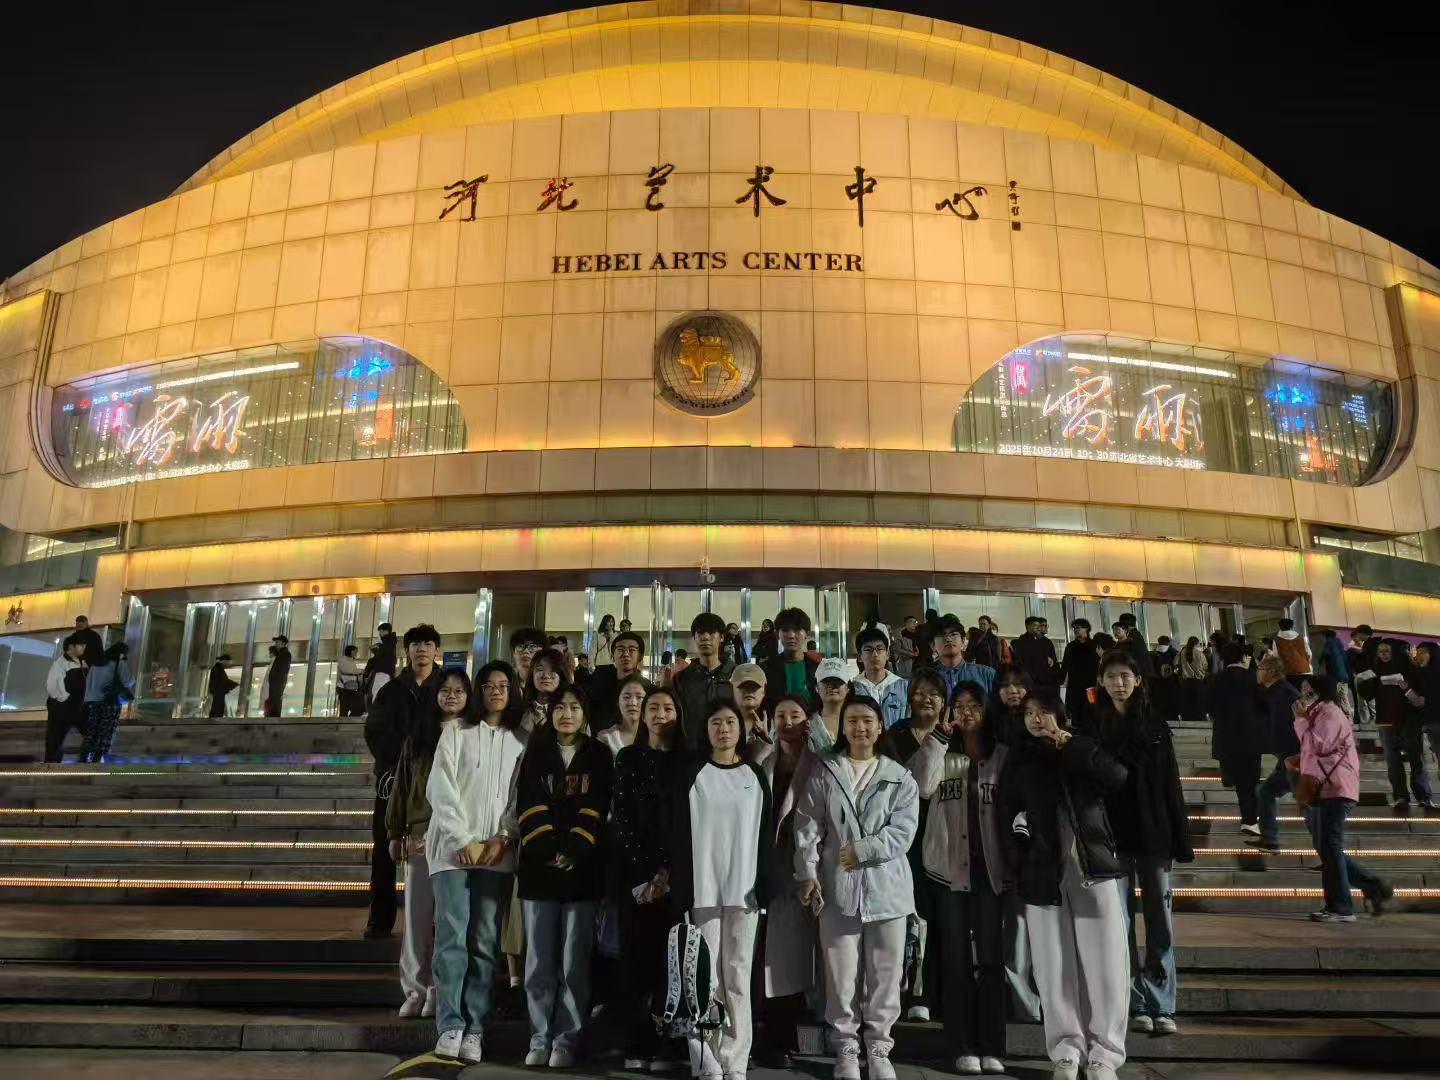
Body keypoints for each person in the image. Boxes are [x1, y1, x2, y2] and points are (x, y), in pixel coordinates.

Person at [1001, 690, 1130, 1080]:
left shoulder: (1082, 745)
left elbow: (1116, 777)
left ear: (1059, 714)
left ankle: (1105, 1054)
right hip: (1042, 871)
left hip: (1091, 865)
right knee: (1052, 965)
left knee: (1106, 963)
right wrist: (1019, 856)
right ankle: (1066, 1051)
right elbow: (1006, 812)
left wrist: (1070, 745)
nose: (1036, 719)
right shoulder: (1019, 759)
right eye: (1029, 713)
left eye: (1043, 711)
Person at [795, 694, 919, 1080]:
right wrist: (808, 872)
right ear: (843, 727)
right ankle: (846, 1048)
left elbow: (903, 832)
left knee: (885, 974)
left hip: (888, 890)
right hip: (838, 889)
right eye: (852, 720)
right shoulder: (826, 771)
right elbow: (807, 827)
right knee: (840, 973)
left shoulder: (899, 776)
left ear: (880, 726)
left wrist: (862, 850)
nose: (860, 727)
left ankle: (879, 1049)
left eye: (867, 720)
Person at [1083, 650, 1192, 1038]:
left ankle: (1162, 1002)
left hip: (1154, 834)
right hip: (1113, 836)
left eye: (1125, 675)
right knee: (1120, 923)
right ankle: (1134, 1002)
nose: (1119, 683)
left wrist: (1179, 837)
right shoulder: (1095, 726)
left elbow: (1170, 785)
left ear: (1138, 680)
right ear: (1101, 681)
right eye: (1111, 676)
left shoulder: (1156, 726)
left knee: (1160, 921)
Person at [424, 663, 527, 1063]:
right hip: (452, 852)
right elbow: (440, 787)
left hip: (496, 854)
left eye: (503, 685)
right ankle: (450, 1024)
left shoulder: (521, 739)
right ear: (479, 691)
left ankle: (475, 1028)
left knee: (484, 941)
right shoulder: (455, 731)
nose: (496, 691)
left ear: (512, 691)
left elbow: (520, 796)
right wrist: (463, 839)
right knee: (451, 936)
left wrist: (503, 837)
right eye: (488, 685)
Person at [666, 700, 774, 1080]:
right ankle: (705, 1059)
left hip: (745, 894)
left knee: (738, 976)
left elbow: (765, 836)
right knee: (702, 978)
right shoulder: (692, 774)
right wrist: (682, 888)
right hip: (702, 893)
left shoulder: (754, 775)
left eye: (730, 722)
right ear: (706, 729)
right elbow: (678, 834)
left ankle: (735, 1060)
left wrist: (764, 885)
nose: (724, 729)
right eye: (716, 722)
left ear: (741, 729)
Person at [907, 680, 1009, 1076]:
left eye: (974, 705)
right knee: (955, 961)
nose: (966, 712)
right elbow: (919, 786)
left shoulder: (1001, 757)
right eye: (960, 705)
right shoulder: (941, 751)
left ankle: (992, 1045)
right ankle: (962, 1044)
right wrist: (936, 740)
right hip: (948, 871)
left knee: (991, 960)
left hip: (991, 873)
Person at [516, 686, 613, 1068]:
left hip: (582, 871)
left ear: (585, 713)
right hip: (539, 871)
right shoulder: (536, 752)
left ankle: (566, 1040)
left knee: (574, 963)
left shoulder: (598, 755)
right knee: (538, 961)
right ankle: (539, 1037)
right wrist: (549, 848)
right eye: (560, 707)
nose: (567, 714)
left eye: (574, 707)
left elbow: (598, 803)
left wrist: (574, 848)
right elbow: (528, 802)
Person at [612, 687, 685, 1071]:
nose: (660, 714)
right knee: (636, 962)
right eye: (653, 707)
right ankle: (637, 1043)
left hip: (676, 879)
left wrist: (666, 873)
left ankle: (668, 1043)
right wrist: (646, 875)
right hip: (635, 879)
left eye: (668, 708)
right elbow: (623, 819)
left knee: (671, 962)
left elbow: (687, 823)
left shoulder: (689, 762)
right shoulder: (628, 758)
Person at [387, 667, 465, 1021]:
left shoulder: (474, 735)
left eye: (459, 691)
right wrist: (395, 831)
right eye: (445, 690)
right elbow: (401, 786)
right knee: (417, 918)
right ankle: (414, 990)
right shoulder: (418, 737)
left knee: (447, 920)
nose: (451, 696)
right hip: (420, 836)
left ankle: (437, 988)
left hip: (457, 838)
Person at [363, 624, 443, 939]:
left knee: (437, 848)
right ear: (407, 651)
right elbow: (374, 730)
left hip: (436, 780)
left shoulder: (445, 687)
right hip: (394, 778)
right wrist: (403, 758)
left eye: (428, 643)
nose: (421, 649)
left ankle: (436, 918)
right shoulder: (392, 690)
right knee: (385, 848)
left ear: (436, 650)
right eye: (415, 644)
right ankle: (380, 918)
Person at [1295, 674, 1394, 921]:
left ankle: (1341, 907)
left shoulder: (1329, 714)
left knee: (1330, 845)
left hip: (1336, 787)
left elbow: (1319, 745)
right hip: (1326, 787)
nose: (1303, 696)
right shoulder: (1319, 714)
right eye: (1302, 690)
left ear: (1320, 692)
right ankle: (1371, 886)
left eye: (1308, 691)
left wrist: (1300, 720)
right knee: (1327, 847)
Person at [878, 667, 947, 1024]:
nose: (926, 699)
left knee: (938, 917)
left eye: (933, 693)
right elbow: (909, 785)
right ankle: (910, 991)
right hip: (908, 840)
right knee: (912, 916)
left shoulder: (955, 735)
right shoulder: (895, 735)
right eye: (919, 692)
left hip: (946, 837)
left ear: (944, 700)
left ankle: (932, 990)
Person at [754, 693, 819, 1070]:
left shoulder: (818, 761)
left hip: (802, 868)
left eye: (795, 714)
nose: (788, 721)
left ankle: (783, 1035)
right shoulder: (763, 758)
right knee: (765, 955)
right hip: (765, 867)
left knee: (790, 957)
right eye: (781, 715)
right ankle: (765, 1034)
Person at [1210, 642, 1266, 835]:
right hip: (1250, 738)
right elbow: (1264, 704)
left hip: (1226, 739)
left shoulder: (1217, 679)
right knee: (1250, 781)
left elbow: (1209, 707)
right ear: (1243, 657)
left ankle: (1249, 819)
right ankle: (1251, 820)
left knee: (1240, 782)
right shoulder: (1252, 677)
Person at [1251, 655, 1301, 853]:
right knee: (1267, 791)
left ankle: (1271, 839)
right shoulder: (1278, 691)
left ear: (1271, 671)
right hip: (1290, 756)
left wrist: (1287, 756)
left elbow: (1285, 728)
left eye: (1261, 668)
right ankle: (1270, 839)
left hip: (1294, 757)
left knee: (1308, 807)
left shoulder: (1281, 693)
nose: (1258, 672)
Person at [674, 612, 737, 749]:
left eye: (711, 632)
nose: (705, 637)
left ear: (721, 637)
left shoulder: (735, 675)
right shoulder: (683, 678)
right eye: (700, 633)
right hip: (692, 752)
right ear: (694, 638)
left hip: (727, 751)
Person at [78, 642, 134, 763]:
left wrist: (87, 700)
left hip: (93, 702)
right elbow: (128, 681)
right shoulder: (119, 663)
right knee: (106, 730)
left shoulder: (96, 665)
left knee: (92, 729)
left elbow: (88, 683)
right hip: (110, 701)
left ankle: (84, 756)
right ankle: (97, 758)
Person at [587, 630, 650, 731]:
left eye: (632, 650)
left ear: (640, 657)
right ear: (612, 656)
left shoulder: (647, 689)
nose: (626, 654)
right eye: (620, 649)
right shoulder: (598, 684)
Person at [762, 607, 820, 715]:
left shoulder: (817, 669)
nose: (791, 635)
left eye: (797, 630)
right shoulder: (767, 669)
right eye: (785, 630)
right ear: (777, 634)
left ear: (807, 633)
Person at [852, 628, 907, 729]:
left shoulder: (903, 686)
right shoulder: (853, 688)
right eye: (868, 650)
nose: (875, 654)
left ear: (887, 654)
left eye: (880, 649)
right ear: (860, 656)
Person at [44, 634, 86, 762]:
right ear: (71, 647)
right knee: (55, 739)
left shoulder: (81, 662)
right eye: (80, 645)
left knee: (92, 733)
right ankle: (52, 765)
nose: (84, 647)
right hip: (62, 707)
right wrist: (64, 699)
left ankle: (87, 761)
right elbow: (52, 685)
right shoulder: (60, 663)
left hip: (78, 706)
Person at [932, 615, 996, 696]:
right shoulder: (927, 679)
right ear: (933, 645)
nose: (948, 639)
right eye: (941, 635)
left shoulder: (987, 675)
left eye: (953, 634)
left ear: (963, 640)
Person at [1059, 619, 1097, 727]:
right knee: (1076, 711)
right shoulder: (1071, 646)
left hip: (1091, 684)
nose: (1076, 630)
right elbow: (1065, 665)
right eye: (1075, 628)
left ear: (1087, 629)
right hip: (1075, 684)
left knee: (1092, 709)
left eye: (1079, 627)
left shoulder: (1094, 645)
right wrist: (1061, 679)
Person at [729, 662, 772, 755]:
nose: (748, 691)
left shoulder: (776, 724)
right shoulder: (721, 724)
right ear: (732, 689)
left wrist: (765, 739)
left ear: (764, 690)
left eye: (754, 687)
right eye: (742, 686)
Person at [522, 646, 568, 731]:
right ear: (532, 674)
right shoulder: (520, 709)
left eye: (553, 670)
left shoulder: (571, 711)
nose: (546, 676)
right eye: (540, 670)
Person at [599, 673, 647, 754]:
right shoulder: (606, 738)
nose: (633, 703)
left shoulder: (654, 735)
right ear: (618, 702)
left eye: (639, 697)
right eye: (626, 697)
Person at [812, 658, 851, 751]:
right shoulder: (809, 723)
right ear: (817, 687)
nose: (832, 686)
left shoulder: (859, 719)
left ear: (847, 687)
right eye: (827, 681)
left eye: (838, 681)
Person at [1012, 616, 1059, 692]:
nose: (1038, 628)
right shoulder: (1021, 642)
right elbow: (1020, 662)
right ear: (1027, 627)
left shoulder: (1041, 641)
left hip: (1044, 681)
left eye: (1039, 625)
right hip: (1031, 681)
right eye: (1035, 625)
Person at [1317, 629, 1352, 713]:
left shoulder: (1329, 644)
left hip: (1335, 677)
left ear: (1326, 636)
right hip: (1344, 676)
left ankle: (1347, 717)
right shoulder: (1341, 646)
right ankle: (1347, 716)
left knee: (1340, 699)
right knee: (1343, 698)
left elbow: (1323, 657)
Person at [1177, 636, 1207, 724]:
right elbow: (1205, 666)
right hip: (1198, 681)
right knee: (1198, 703)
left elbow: (1176, 663)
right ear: (1196, 643)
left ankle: (1187, 720)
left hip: (1186, 681)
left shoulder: (1182, 652)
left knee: (1187, 703)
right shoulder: (1200, 653)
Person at [263, 635, 292, 718]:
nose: (275, 644)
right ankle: (272, 716)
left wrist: (275, 678)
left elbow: (283, 670)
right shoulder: (281, 654)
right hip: (276, 682)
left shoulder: (285, 654)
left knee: (275, 700)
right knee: (273, 700)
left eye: (277, 642)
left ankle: (274, 717)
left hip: (277, 682)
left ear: (283, 643)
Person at [205, 653, 238, 718]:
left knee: (216, 709)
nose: (228, 664)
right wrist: (235, 685)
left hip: (217, 693)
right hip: (218, 693)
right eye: (228, 662)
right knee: (217, 709)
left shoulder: (217, 668)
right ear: (225, 661)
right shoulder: (218, 669)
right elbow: (224, 682)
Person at [336, 645, 365, 716]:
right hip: (343, 687)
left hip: (351, 688)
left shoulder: (352, 661)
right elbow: (348, 670)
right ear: (351, 651)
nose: (356, 653)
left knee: (351, 706)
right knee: (345, 707)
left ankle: (348, 718)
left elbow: (354, 672)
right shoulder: (342, 660)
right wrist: (361, 671)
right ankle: (345, 720)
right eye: (355, 651)